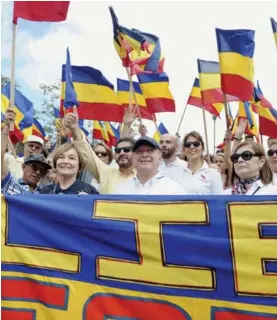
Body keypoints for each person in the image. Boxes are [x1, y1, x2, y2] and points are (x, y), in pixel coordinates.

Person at [62, 112, 136, 194]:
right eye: (118, 150)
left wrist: (126, 126)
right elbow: (86, 153)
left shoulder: (144, 175)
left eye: (126, 149)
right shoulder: (107, 174)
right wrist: (75, 130)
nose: (122, 153)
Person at [1, 107, 51, 195]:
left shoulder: (45, 195)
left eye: (42, 170)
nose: (38, 172)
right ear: (23, 166)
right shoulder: (11, 185)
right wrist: (6, 127)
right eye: (34, 167)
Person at [116, 137, 186, 195]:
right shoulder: (123, 189)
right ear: (133, 156)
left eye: (150, 151)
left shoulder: (174, 190)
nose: (144, 155)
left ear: (160, 156)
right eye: (139, 151)